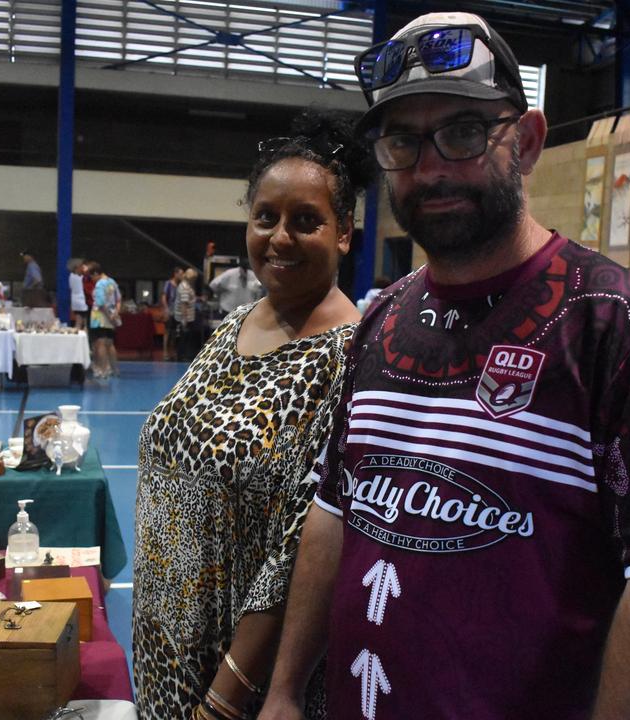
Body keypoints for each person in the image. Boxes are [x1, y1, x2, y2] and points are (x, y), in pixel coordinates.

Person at [259, 13, 630, 720]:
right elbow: (334, 511)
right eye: (403, 141)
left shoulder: (625, 325)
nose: (430, 168)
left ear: (526, 141)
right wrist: (282, 690)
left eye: (462, 132)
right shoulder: (380, 320)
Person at [135, 110, 372, 720]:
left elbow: (302, 548)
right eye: (265, 217)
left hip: (241, 675)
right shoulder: (236, 324)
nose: (280, 238)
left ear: (344, 231)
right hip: (167, 649)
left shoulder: (351, 357)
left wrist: (228, 692)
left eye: (305, 221)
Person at [87, 262, 121, 379]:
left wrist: (107, 315)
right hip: (111, 315)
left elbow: (101, 304)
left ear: (96, 273)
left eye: (91, 276)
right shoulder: (112, 282)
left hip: (99, 317)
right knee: (110, 343)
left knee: (99, 343)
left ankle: (103, 369)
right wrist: (115, 313)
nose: (92, 279)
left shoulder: (100, 284)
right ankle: (114, 369)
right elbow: (118, 299)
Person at [173, 267, 199, 362]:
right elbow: (184, 304)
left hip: (187, 317)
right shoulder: (185, 287)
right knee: (183, 338)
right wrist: (184, 320)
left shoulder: (186, 285)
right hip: (185, 318)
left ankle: (183, 355)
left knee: (184, 338)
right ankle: (182, 357)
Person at [161, 266, 183, 360]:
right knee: (167, 332)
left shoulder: (180, 285)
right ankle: (165, 353)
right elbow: (163, 297)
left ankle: (172, 352)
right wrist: (166, 309)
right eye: (181, 274)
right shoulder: (168, 284)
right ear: (176, 274)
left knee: (174, 333)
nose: (182, 276)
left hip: (177, 312)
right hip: (169, 311)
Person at [68, 258, 89, 328]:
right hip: (83, 300)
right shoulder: (82, 277)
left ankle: (76, 337)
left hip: (75, 301)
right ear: (77, 267)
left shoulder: (71, 276)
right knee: (86, 323)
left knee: (78, 322)